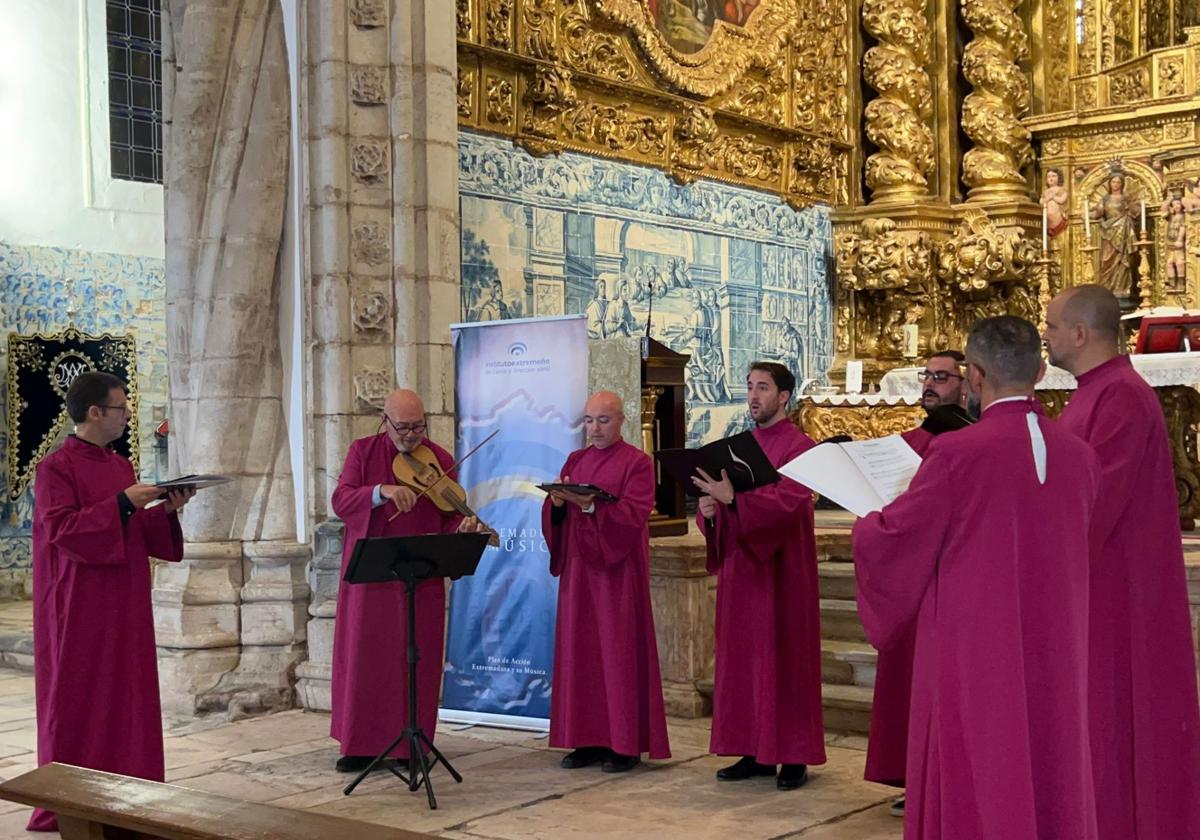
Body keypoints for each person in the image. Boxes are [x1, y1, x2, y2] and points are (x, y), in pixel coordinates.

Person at [854, 316, 1101, 839]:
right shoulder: (1080, 455)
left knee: (979, 765)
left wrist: (866, 521)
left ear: (975, 375)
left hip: (976, 649)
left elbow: (896, 539)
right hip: (1060, 645)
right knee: (1053, 756)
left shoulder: (956, 452)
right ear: (1039, 369)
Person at [1044, 285, 1200, 840]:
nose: (1047, 336)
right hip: (1093, 585)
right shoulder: (1095, 392)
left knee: (1115, 722)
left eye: (1053, 327)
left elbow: (1094, 500)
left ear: (1082, 334)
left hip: (1117, 591)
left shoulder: (1123, 398)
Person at [29, 372, 194, 832]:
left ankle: (132, 785)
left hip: (125, 601)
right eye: (121, 408)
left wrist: (167, 509)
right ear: (95, 412)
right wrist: (123, 503)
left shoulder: (120, 466)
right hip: (80, 604)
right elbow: (62, 530)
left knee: (128, 694)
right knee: (81, 696)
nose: (126, 416)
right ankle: (73, 796)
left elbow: (134, 531)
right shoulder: (55, 468)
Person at [329, 389, 484, 772]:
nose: (412, 436)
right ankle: (360, 746)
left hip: (421, 578)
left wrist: (461, 526)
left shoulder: (440, 460)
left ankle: (413, 744)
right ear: (386, 421)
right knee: (369, 659)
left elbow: (448, 517)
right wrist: (382, 491)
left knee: (417, 660)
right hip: (373, 580)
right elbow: (342, 500)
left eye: (418, 427)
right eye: (403, 428)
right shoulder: (363, 452)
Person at [693, 362, 825, 790]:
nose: (753, 396)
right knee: (745, 659)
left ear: (784, 396)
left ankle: (793, 756)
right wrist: (710, 511)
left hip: (784, 571)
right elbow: (721, 499)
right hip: (742, 571)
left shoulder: (800, 447)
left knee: (786, 659)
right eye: (750, 387)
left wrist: (737, 502)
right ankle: (753, 750)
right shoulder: (739, 445)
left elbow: (791, 502)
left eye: (763, 388)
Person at [541, 391, 671, 773]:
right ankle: (586, 739)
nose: (595, 429)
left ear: (621, 421)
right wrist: (558, 505)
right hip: (579, 572)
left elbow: (634, 514)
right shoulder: (576, 460)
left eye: (603, 420)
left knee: (617, 654)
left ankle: (623, 743)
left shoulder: (638, 463)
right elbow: (555, 515)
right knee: (581, 654)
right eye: (589, 421)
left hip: (617, 573)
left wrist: (592, 505)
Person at [867, 350, 966, 818]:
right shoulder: (905, 442)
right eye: (926, 376)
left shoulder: (969, 440)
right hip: (907, 576)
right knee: (910, 686)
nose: (930, 384)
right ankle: (916, 777)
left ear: (968, 383)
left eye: (941, 377)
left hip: (955, 582)